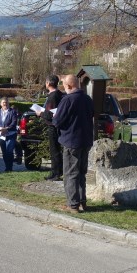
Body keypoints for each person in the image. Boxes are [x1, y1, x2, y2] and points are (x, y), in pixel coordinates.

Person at [53, 75, 95, 212]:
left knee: (71, 173)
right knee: (81, 173)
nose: (63, 89)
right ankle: (82, 202)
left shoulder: (68, 99)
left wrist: (47, 115)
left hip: (71, 141)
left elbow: (57, 121)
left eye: (64, 86)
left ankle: (73, 204)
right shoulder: (88, 99)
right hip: (86, 141)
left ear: (69, 86)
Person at [43, 75, 65, 181]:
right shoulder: (60, 94)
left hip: (53, 126)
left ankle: (56, 172)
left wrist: (40, 113)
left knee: (54, 150)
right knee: (56, 150)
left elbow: (49, 114)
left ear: (48, 83)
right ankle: (55, 171)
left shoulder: (53, 96)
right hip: (58, 125)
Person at [0, 98, 19, 172]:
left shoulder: (12, 111)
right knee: (4, 152)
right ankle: (7, 166)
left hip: (11, 134)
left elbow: (14, 122)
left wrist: (6, 129)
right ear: (0, 104)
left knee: (9, 151)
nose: (5, 104)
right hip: (1, 135)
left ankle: (10, 167)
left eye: (6, 102)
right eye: (3, 102)